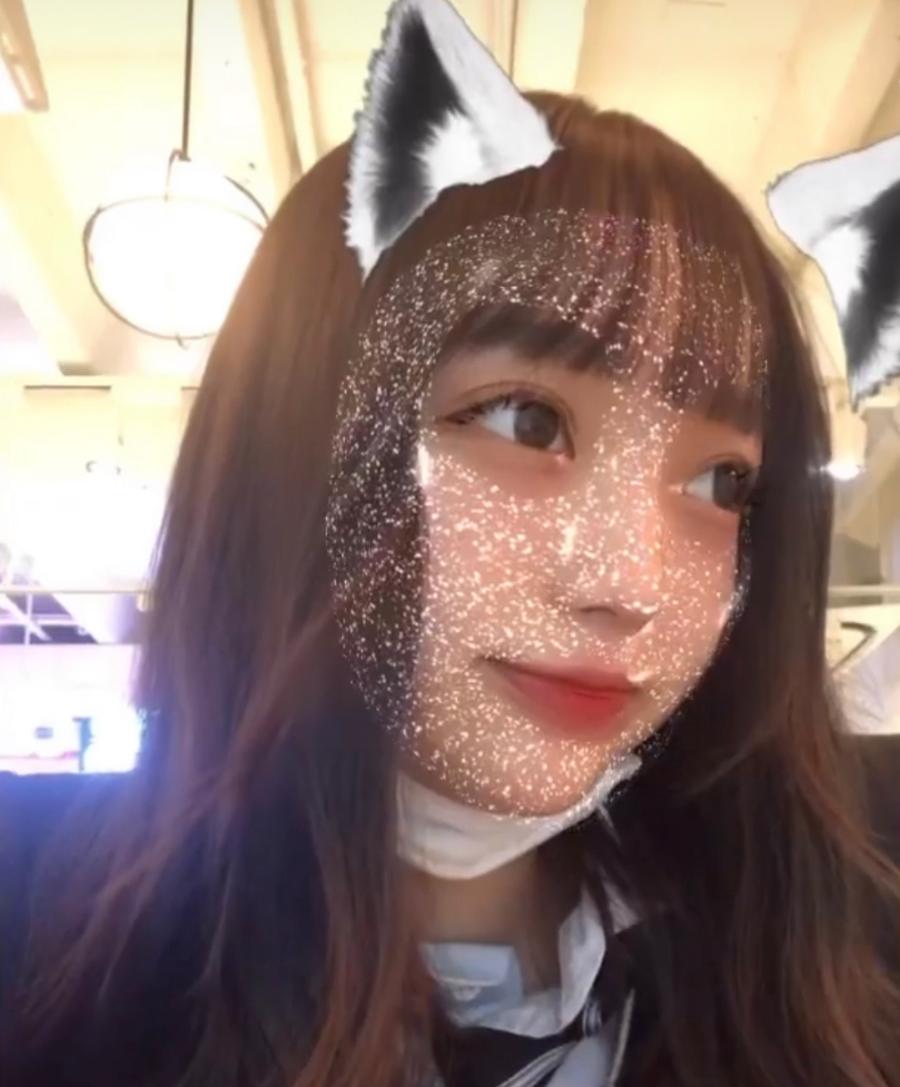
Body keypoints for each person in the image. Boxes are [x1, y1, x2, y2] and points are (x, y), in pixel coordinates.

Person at [1, 1, 899, 1085]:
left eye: (721, 483)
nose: (632, 586)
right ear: (294, 436)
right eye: (528, 421)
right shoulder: (52, 942)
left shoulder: (817, 938)